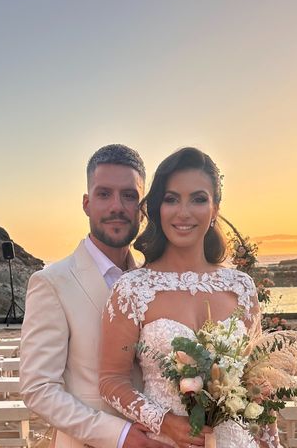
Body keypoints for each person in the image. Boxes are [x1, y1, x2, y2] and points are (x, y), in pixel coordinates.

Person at [99, 147, 281, 448]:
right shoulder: (132, 289)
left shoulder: (241, 287)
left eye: (198, 199)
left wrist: (270, 440)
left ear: (215, 209)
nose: (183, 212)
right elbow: (111, 380)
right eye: (171, 199)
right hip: (167, 442)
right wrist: (163, 422)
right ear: (158, 208)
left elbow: (257, 381)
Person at [20, 144, 169, 448]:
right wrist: (118, 435)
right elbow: (38, 388)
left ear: (142, 208)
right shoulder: (51, 283)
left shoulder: (155, 282)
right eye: (104, 194)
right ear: (87, 204)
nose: (117, 206)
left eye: (129, 195)